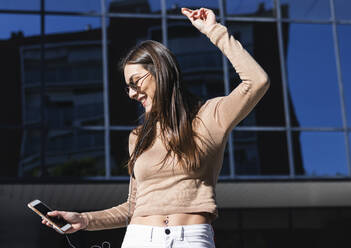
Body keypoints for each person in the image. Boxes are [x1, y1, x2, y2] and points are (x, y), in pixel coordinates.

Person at [42, 7, 270, 248]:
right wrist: (84, 219)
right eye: (127, 87)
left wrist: (213, 30)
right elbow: (133, 205)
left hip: (191, 238)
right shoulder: (138, 136)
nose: (131, 93)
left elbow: (257, 81)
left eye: (135, 82)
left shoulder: (210, 117)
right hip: (139, 238)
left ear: (160, 72)